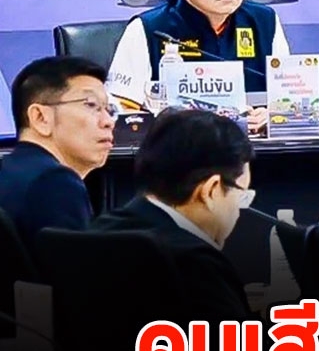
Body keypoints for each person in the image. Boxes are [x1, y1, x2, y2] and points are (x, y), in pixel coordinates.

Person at [106, 0, 290, 131]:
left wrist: (273, 115)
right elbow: (120, 111)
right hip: (177, 147)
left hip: (251, 147)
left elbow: (289, 99)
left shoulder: (265, 21)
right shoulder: (149, 29)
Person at [91, 109, 256, 324]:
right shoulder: (196, 263)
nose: (238, 212)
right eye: (242, 197)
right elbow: (239, 343)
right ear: (211, 190)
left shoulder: (95, 231)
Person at [0, 56, 114, 249]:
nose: (108, 122)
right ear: (40, 117)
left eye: (110, 110)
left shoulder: (10, 171)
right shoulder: (54, 182)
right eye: (91, 105)